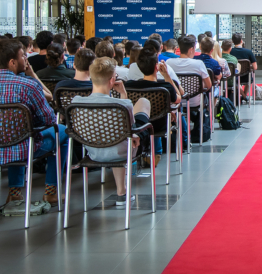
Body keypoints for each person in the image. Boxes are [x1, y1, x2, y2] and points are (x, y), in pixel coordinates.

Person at [0, 38, 67, 205]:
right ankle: (51, 191)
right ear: (12, 62)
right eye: (24, 56)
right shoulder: (28, 86)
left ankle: (15, 193)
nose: (26, 59)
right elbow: (49, 119)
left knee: (18, 134)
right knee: (62, 132)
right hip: (23, 149)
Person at [73, 58, 149, 206]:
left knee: (116, 136)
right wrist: (123, 94)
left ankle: (123, 190)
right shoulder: (122, 104)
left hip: (92, 151)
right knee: (143, 107)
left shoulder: (76, 102)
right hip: (122, 151)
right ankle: (121, 191)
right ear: (112, 79)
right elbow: (130, 128)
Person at [126, 45, 182, 166]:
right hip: (159, 125)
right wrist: (167, 75)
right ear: (157, 67)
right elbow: (178, 99)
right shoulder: (165, 87)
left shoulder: (129, 86)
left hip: (137, 125)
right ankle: (155, 152)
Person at [166, 35, 212, 144]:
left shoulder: (169, 63)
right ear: (191, 49)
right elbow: (208, 85)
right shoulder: (199, 64)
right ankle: (199, 131)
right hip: (194, 101)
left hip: (175, 101)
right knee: (205, 99)